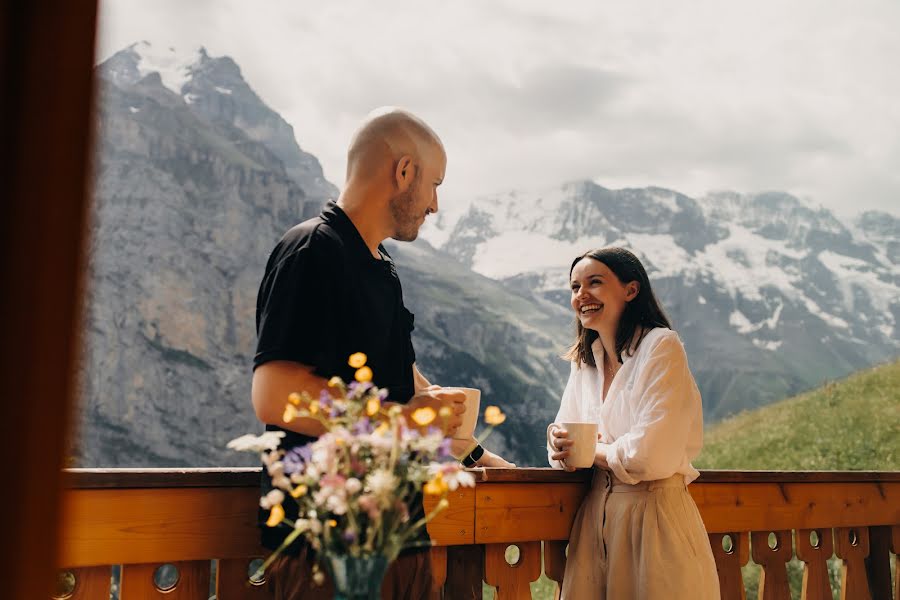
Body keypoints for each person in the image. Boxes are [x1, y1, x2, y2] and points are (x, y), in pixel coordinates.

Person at [251, 107, 513, 600]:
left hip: (401, 538)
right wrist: (404, 421)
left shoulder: (381, 267)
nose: (435, 204)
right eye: (435, 183)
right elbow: (274, 394)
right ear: (404, 171)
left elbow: (401, 382)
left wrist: (471, 445)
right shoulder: (312, 251)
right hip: (325, 544)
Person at [547, 247, 719, 600]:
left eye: (595, 282)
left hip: (655, 521)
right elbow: (562, 446)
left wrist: (590, 449)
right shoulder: (584, 363)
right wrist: (559, 444)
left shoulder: (661, 347)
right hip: (595, 522)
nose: (582, 295)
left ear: (631, 289)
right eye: (575, 287)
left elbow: (649, 457)